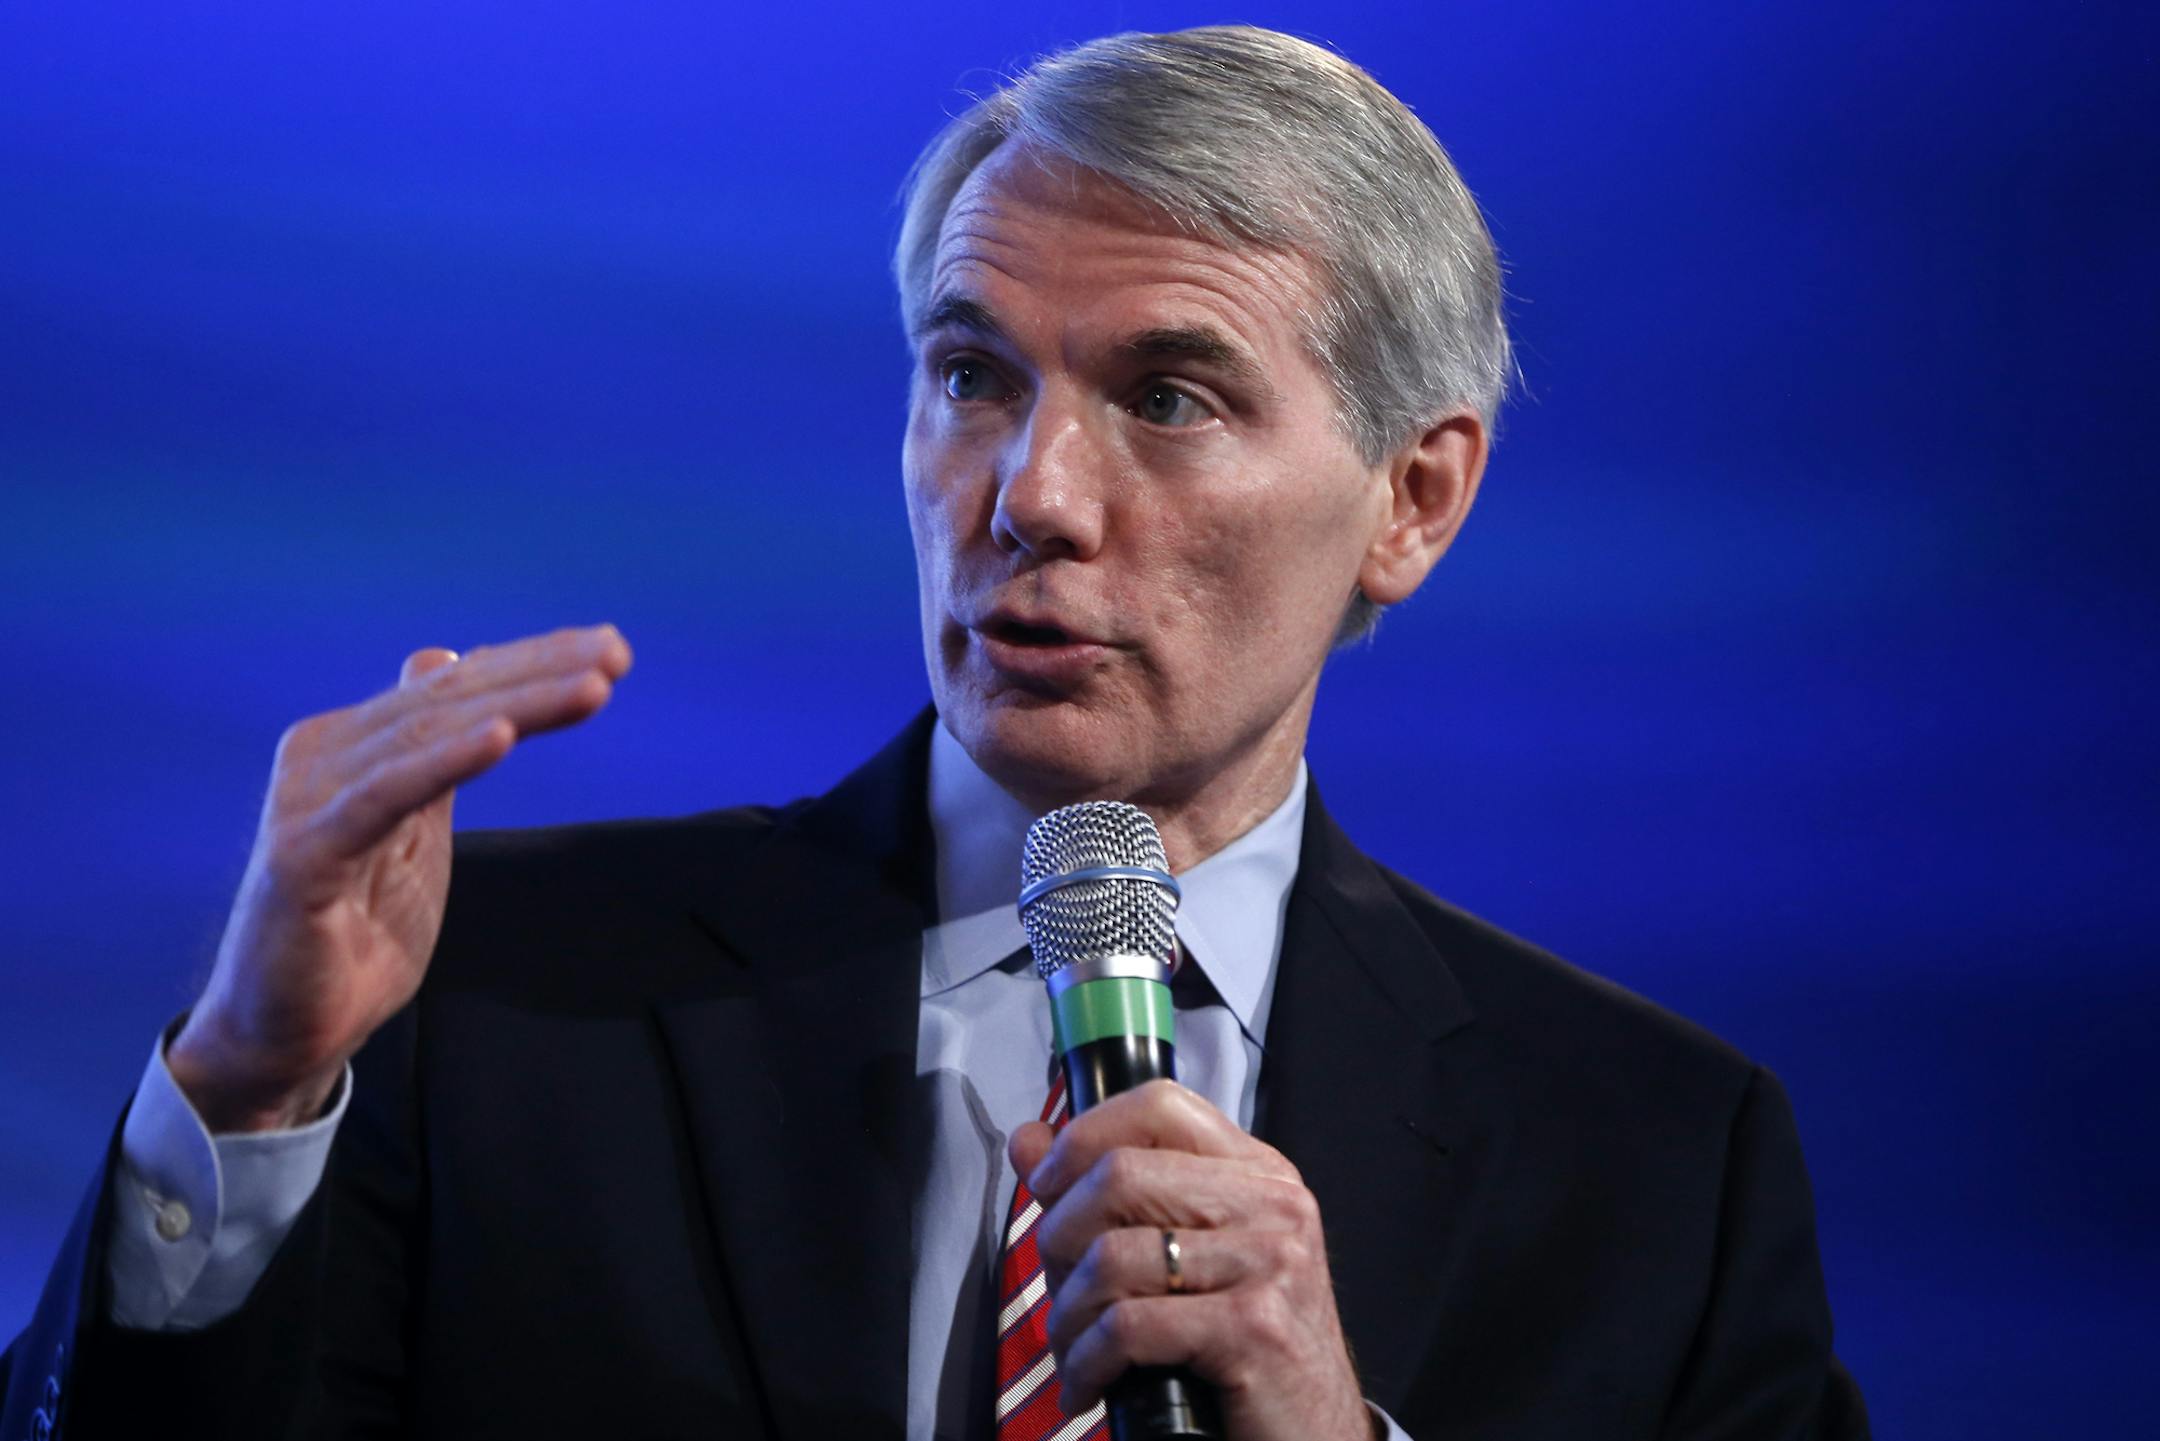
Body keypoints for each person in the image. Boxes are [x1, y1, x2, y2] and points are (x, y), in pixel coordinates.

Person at [1, 25, 1867, 1441]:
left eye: (1169, 392)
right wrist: (244, 1087)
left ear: (1416, 497)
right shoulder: (483, 1001)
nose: (1032, 493)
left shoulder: (1657, 1163)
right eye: (974, 373)